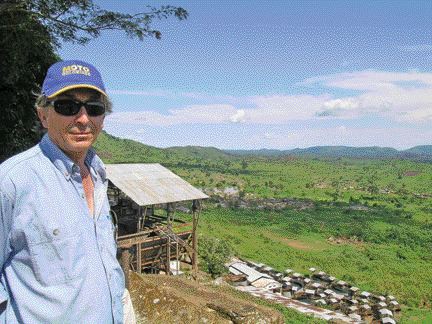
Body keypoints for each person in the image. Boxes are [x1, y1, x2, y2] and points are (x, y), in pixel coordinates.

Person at [0, 60, 135, 323]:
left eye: (94, 108)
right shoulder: (12, 182)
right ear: (43, 114)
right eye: (67, 106)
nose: (83, 119)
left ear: (103, 119)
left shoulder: (98, 175)